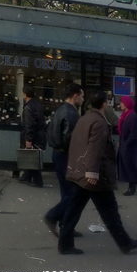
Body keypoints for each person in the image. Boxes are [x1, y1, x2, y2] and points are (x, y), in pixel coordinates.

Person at [57, 91, 137, 255]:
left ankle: (65, 244)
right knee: (110, 212)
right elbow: (95, 149)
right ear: (104, 104)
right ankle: (124, 243)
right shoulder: (99, 122)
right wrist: (92, 172)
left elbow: (76, 144)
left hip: (81, 173)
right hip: (96, 176)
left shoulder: (84, 118)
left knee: (73, 210)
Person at [44, 83, 84, 237]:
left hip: (57, 154)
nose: (83, 99)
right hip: (67, 156)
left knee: (66, 191)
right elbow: (72, 139)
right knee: (74, 194)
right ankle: (53, 216)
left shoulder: (60, 109)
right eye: (82, 96)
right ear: (75, 96)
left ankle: (66, 225)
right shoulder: (72, 114)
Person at [116, 96, 137, 196]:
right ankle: (132, 184)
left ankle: (132, 187)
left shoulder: (132, 116)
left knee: (131, 166)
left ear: (127, 104)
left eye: (122, 103)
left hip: (131, 147)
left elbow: (134, 133)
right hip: (126, 145)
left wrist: (126, 144)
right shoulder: (125, 115)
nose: (120, 105)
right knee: (128, 166)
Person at [19, 86, 46, 187]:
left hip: (33, 136)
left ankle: (38, 182)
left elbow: (29, 124)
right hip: (39, 135)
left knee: (32, 158)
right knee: (32, 156)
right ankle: (26, 176)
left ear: (25, 95)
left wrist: (28, 139)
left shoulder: (28, 107)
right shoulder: (38, 104)